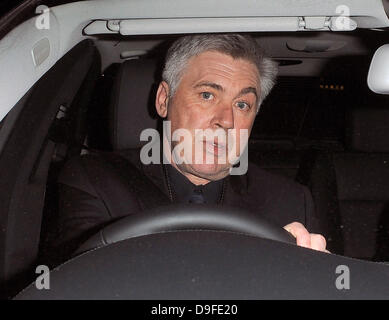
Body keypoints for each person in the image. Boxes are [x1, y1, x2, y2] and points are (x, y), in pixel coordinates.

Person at [54, 34, 328, 261]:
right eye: (207, 95)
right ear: (163, 100)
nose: (226, 121)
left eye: (242, 105)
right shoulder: (96, 181)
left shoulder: (289, 202)